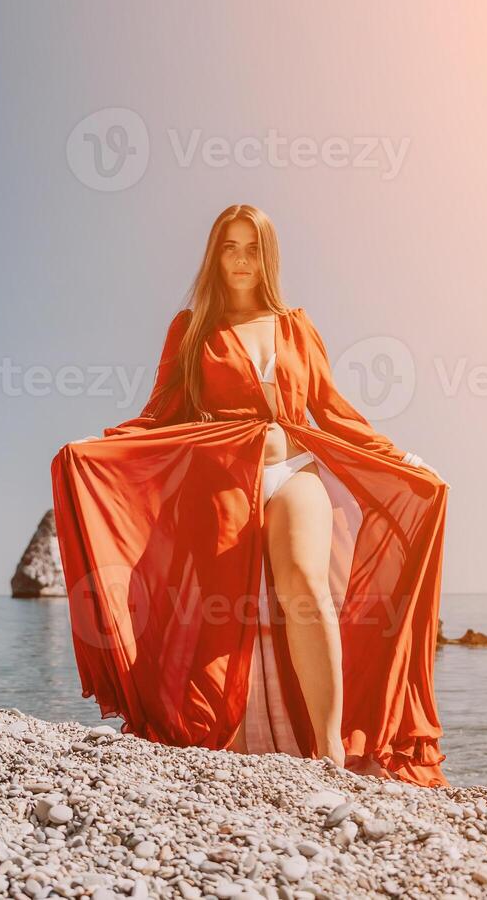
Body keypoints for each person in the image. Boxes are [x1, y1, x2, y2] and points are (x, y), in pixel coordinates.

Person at [50, 203, 450, 786]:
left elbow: (333, 413)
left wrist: (403, 459)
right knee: (218, 615)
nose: (241, 259)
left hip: (295, 469)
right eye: (229, 246)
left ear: (269, 257)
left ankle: (331, 752)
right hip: (220, 481)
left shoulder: (296, 326)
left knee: (305, 585)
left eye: (252, 247)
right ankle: (209, 733)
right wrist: (98, 445)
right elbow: (161, 413)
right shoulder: (191, 328)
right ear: (214, 255)